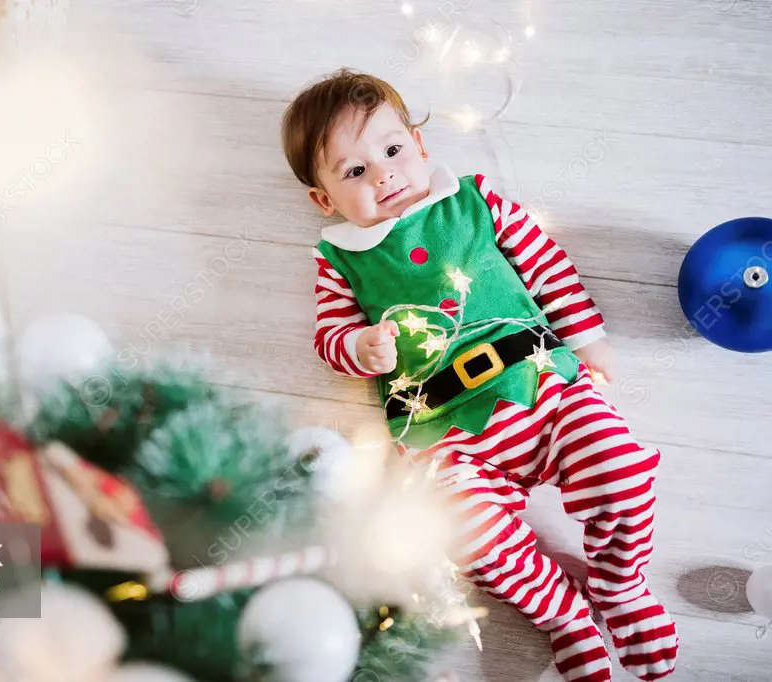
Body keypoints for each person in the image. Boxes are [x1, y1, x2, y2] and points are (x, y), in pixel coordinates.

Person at [281, 68, 677, 682]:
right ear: (325, 199)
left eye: (391, 151)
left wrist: (588, 338)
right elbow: (328, 337)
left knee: (619, 470)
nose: (383, 174)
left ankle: (621, 584)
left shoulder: (474, 201)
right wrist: (359, 346)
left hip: (541, 384)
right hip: (444, 435)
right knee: (465, 535)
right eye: (355, 171)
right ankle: (564, 616)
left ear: (420, 145)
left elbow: (546, 265)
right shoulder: (340, 259)